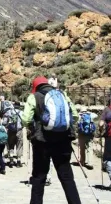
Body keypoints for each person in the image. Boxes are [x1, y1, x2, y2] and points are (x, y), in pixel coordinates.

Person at [22, 76, 81, 204]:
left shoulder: (34, 96)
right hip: (63, 141)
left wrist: (34, 126)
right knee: (67, 177)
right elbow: (75, 116)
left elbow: (26, 119)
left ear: (36, 87)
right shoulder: (62, 95)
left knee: (39, 177)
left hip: (42, 142)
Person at [1, 101, 24, 167]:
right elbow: (25, 121)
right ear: (19, 106)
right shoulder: (22, 113)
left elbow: (5, 122)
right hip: (19, 131)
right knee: (19, 145)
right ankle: (18, 161)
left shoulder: (9, 112)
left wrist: (6, 126)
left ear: (13, 106)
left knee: (10, 145)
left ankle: (11, 161)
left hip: (10, 131)